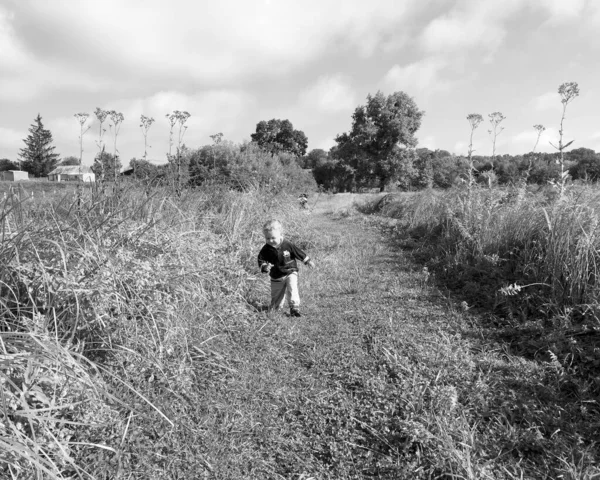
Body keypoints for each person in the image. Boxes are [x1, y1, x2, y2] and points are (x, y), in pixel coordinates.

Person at [257, 219, 315, 317]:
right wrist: (265, 266)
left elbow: (298, 252)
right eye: (267, 238)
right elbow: (261, 259)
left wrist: (307, 261)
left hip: (290, 271)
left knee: (292, 288)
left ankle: (294, 307)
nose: (270, 241)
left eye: (273, 238)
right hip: (276, 275)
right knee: (277, 294)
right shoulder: (266, 249)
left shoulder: (287, 245)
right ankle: (276, 308)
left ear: (280, 234)